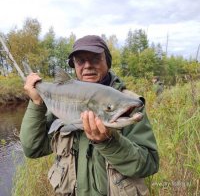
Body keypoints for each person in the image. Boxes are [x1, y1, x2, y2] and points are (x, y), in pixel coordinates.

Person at [20, 35, 159, 196]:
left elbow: (149, 164)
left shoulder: (129, 106)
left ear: (107, 62)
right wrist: (36, 103)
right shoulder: (63, 98)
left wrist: (108, 141)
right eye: (80, 61)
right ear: (74, 66)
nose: (87, 66)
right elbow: (33, 149)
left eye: (95, 59)